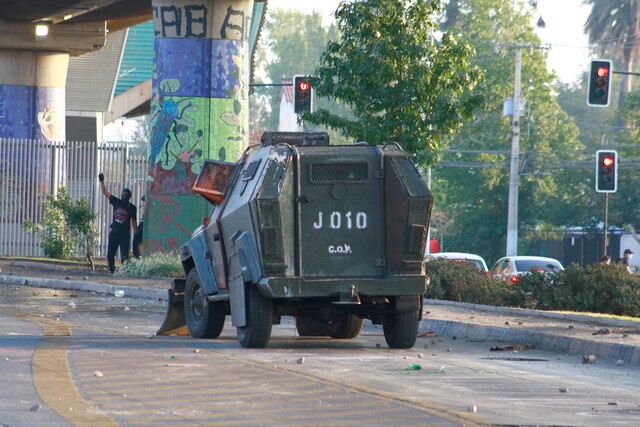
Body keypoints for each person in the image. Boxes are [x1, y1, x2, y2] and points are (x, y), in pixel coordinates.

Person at [99, 173, 138, 273]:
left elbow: (134, 222)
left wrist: (136, 235)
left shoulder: (132, 208)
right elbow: (105, 193)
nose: (124, 196)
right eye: (123, 194)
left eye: (125, 194)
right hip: (115, 232)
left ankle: (124, 272)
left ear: (128, 196)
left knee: (124, 255)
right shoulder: (117, 201)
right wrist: (101, 181)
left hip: (124, 234)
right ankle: (112, 270)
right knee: (110, 254)